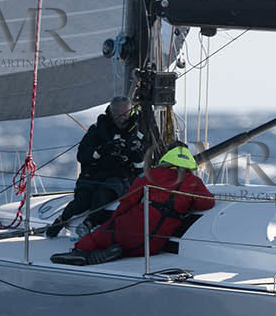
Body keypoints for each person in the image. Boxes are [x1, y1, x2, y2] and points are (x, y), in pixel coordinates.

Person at [67, 142, 215, 260]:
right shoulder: (194, 181)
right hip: (155, 244)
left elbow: (128, 201)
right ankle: (117, 252)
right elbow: (207, 203)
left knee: (101, 236)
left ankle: (80, 251)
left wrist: (113, 220)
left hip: (137, 227)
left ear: (167, 156)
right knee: (135, 245)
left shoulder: (151, 174)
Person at [46, 97, 146, 237]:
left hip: (119, 177)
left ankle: (89, 224)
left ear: (130, 112)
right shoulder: (98, 130)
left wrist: (136, 155)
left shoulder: (139, 133)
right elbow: (82, 156)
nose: (121, 117)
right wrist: (101, 150)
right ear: (110, 111)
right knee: (81, 201)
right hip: (94, 174)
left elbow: (141, 169)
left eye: (125, 113)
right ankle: (61, 220)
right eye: (117, 113)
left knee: (103, 195)